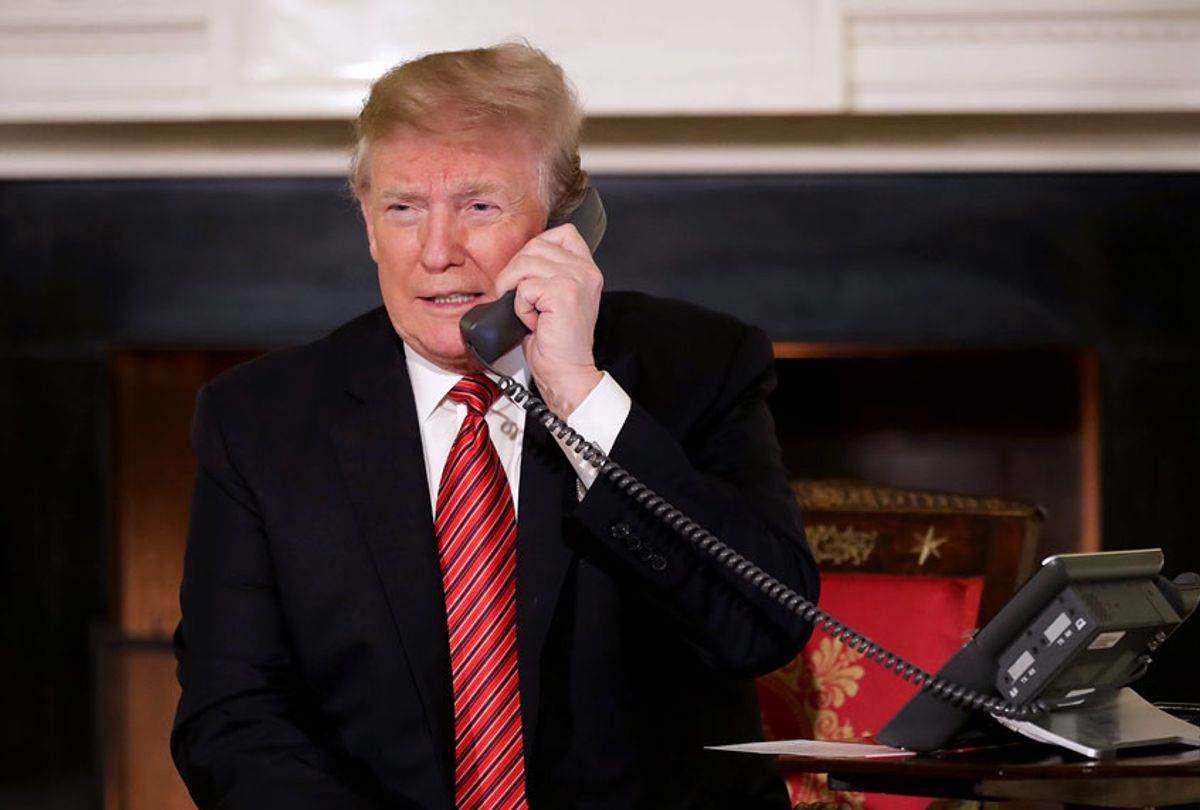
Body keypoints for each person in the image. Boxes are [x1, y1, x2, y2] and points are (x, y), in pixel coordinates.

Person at [171, 42, 820, 810]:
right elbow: (232, 716)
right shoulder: (259, 420)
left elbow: (761, 627)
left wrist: (579, 389)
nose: (437, 253)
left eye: (480, 206)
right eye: (403, 208)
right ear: (369, 227)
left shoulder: (696, 367)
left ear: (566, 222)